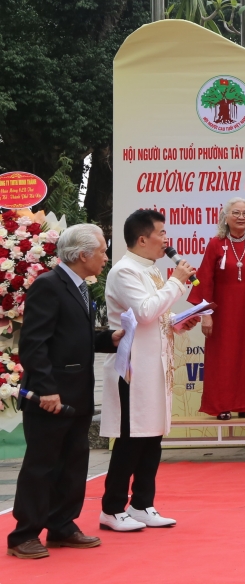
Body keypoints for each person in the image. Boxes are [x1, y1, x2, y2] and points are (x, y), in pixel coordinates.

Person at [7, 225, 121, 559]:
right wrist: (45, 389)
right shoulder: (49, 285)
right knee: (42, 464)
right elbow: (34, 344)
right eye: (101, 251)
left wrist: (107, 338)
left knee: (73, 461)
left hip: (79, 392)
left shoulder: (81, 287)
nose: (105, 257)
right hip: (51, 394)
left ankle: (62, 524)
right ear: (83, 254)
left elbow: (72, 337)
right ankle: (24, 534)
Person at [101, 209, 203, 531]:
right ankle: (111, 508)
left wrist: (177, 322)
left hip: (156, 364)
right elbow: (144, 313)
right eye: (161, 233)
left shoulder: (153, 270)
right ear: (143, 238)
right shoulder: (124, 271)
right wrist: (176, 281)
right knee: (132, 438)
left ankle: (143, 503)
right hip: (133, 367)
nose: (166, 240)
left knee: (153, 436)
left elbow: (157, 316)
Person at [189, 197, 245, 420]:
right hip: (222, 311)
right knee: (223, 358)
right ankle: (222, 405)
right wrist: (206, 315)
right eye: (236, 212)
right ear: (225, 216)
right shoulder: (216, 244)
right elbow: (205, 280)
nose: (241, 217)